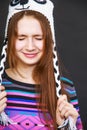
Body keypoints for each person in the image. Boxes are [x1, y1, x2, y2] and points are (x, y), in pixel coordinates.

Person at [0, 0, 83, 130]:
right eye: (21, 38)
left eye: (38, 38)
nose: (30, 46)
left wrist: (64, 127)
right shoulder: (1, 86)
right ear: (9, 40)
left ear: (49, 41)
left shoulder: (65, 88)